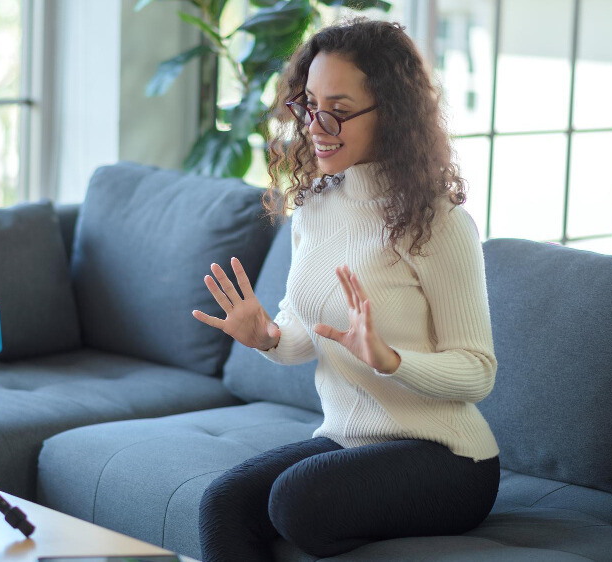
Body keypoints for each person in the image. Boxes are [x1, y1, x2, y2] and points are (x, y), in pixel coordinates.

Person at [190, 17, 501, 562]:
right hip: (349, 440)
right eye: (309, 104)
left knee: (295, 502)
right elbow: (305, 333)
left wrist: (391, 360)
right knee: (223, 503)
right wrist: (266, 335)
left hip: (448, 458)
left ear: (392, 113)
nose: (316, 124)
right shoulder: (315, 206)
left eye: (339, 108)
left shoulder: (437, 222)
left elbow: (478, 371)